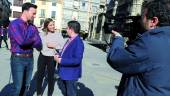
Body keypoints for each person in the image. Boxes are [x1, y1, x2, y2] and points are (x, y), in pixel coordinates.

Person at [107, 0, 170, 96]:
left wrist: (118, 39)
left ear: (153, 21)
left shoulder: (150, 42)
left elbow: (115, 58)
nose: (140, 21)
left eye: (142, 18)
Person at [8, 2, 42, 96]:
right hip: (18, 59)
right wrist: (33, 38)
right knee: (17, 88)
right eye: (33, 13)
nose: (34, 16)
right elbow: (22, 42)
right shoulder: (15, 24)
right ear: (25, 11)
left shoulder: (33, 27)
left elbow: (39, 45)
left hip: (30, 59)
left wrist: (30, 40)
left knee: (26, 86)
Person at [54, 20, 84, 96]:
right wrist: (59, 54)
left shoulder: (78, 42)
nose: (66, 30)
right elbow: (64, 51)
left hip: (71, 74)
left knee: (71, 94)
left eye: (67, 28)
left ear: (71, 29)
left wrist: (61, 60)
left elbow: (77, 60)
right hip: (64, 72)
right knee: (66, 92)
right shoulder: (69, 39)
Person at [36, 18, 65, 96]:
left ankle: (49, 94)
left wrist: (53, 46)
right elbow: (37, 43)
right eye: (50, 25)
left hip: (52, 58)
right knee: (40, 76)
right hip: (42, 56)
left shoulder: (58, 34)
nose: (53, 26)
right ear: (46, 26)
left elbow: (62, 46)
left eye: (53, 24)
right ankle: (39, 93)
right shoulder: (42, 34)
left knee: (50, 77)